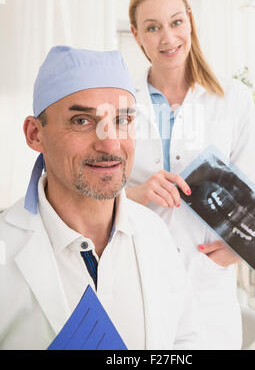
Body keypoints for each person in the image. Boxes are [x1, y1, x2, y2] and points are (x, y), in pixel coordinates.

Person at [0, 45, 204, 350]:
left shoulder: (155, 234)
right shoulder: (6, 247)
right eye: (82, 121)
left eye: (123, 120)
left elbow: (186, 339)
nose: (110, 142)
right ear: (35, 134)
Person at [126, 0, 255, 349]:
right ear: (137, 36)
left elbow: (253, 193)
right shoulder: (122, 100)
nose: (168, 38)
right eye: (153, 28)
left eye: (175, 22)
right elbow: (100, 190)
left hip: (206, 280)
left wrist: (238, 247)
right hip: (137, 270)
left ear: (190, 22)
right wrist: (137, 193)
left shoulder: (234, 98)